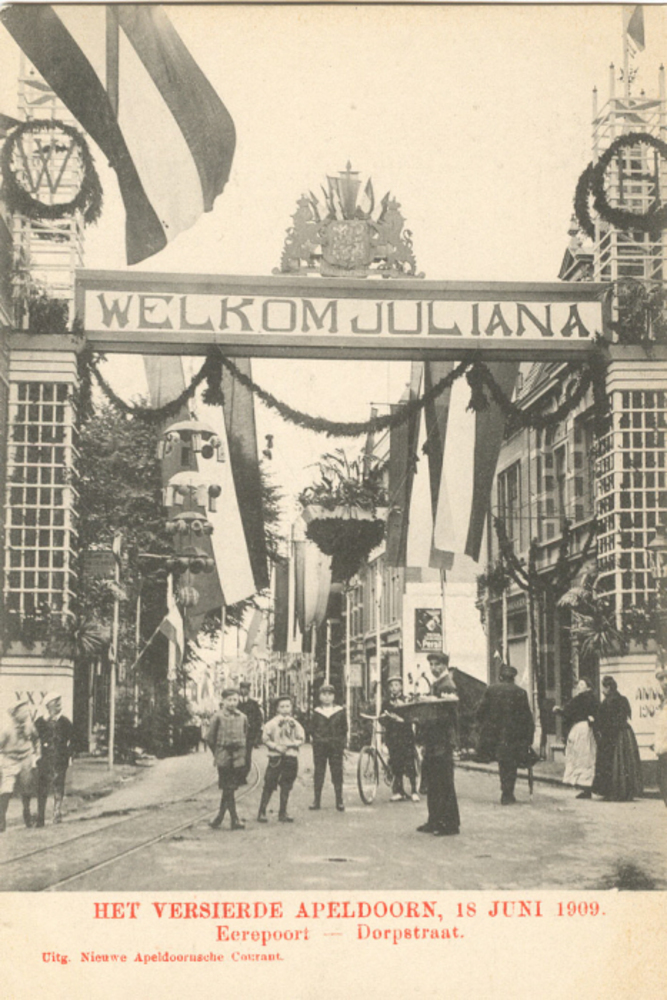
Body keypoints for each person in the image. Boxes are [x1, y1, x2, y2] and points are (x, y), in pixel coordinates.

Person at [476, 661, 535, 805]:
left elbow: (480, 711)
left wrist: (483, 727)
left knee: (502, 763)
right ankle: (508, 792)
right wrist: (529, 738)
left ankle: (506, 792)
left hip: (495, 734)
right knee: (511, 763)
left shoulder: (491, 690)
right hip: (514, 735)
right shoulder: (521, 692)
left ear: (501, 677)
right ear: (513, 678)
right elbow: (527, 717)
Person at [415, 651, 460, 836]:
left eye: (437, 664)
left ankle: (449, 824)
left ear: (444, 665)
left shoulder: (447, 684)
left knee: (443, 783)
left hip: (442, 740)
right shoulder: (437, 684)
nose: (433, 668)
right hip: (434, 740)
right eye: (431, 664)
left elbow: (448, 714)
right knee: (434, 782)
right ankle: (434, 820)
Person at [592, 675, 643, 802]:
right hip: (625, 733)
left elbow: (603, 720)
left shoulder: (607, 702)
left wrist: (595, 724)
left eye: (604, 687)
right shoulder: (623, 699)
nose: (602, 690)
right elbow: (626, 716)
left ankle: (612, 791)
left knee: (613, 762)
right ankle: (626, 791)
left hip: (612, 734)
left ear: (608, 687)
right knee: (626, 762)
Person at [257, 695, 305, 823]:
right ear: (277, 709)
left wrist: (293, 744)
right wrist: (276, 746)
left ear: (291, 707)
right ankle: (262, 811)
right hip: (276, 757)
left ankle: (283, 812)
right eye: (282, 706)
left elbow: (302, 738)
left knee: (286, 784)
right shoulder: (271, 724)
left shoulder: (295, 724)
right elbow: (265, 739)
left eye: (287, 706)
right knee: (269, 783)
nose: (285, 709)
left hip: (290, 756)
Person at [206, 689, 248, 831]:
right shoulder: (217, 717)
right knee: (228, 787)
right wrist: (217, 753)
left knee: (229, 788)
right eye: (229, 700)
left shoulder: (242, 717)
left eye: (235, 700)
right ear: (223, 701)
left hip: (237, 758)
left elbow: (245, 734)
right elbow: (210, 738)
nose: (232, 703)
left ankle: (219, 818)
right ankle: (234, 819)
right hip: (223, 757)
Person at [555, 677, 598, 799]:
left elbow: (568, 712)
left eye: (582, 685)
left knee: (581, 757)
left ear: (588, 687)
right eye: (578, 685)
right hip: (587, 730)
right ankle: (587, 786)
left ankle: (585, 787)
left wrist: (559, 711)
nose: (579, 687)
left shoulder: (580, 699)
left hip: (581, 730)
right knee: (587, 756)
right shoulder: (592, 699)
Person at [34, 693, 73, 826]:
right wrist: (36, 755)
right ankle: (40, 817)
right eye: (55, 702)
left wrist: (68, 754)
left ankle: (57, 813)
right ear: (48, 705)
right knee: (42, 787)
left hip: (60, 759)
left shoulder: (65, 722)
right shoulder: (40, 722)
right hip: (44, 759)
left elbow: (73, 739)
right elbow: (34, 739)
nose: (58, 704)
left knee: (58, 785)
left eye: (59, 702)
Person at [0, 700, 39, 832]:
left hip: (25, 758)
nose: (25, 713)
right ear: (15, 714)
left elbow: (36, 738)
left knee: (26, 787)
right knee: (6, 787)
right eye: (21, 711)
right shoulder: (7, 729)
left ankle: (27, 814)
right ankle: (1, 819)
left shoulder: (29, 725)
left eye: (26, 710)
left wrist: (37, 752)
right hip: (10, 759)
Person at [309, 684, 348, 812]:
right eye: (324, 694)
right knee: (319, 772)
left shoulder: (339, 712)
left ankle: (339, 800)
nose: (327, 697)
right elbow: (311, 729)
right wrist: (317, 739)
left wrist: (341, 743)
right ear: (319, 696)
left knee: (337, 772)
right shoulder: (316, 712)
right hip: (320, 746)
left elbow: (344, 729)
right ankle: (316, 800)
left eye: (330, 694)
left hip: (335, 746)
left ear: (334, 696)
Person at [381, 675, 419, 802]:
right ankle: (399, 791)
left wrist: (400, 719)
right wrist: (385, 718)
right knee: (396, 763)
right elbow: (382, 718)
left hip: (405, 736)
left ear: (401, 686)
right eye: (391, 685)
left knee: (409, 762)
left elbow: (412, 717)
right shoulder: (386, 702)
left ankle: (414, 790)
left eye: (396, 685)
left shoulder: (407, 700)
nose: (393, 688)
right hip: (392, 736)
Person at [237, 681, 264, 784]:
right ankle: (237, 775)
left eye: (246, 689)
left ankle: (243, 775)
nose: (244, 691)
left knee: (247, 756)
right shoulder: (235, 703)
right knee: (237, 756)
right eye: (242, 689)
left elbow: (259, 719)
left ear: (249, 691)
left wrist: (255, 733)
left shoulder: (253, 704)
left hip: (249, 735)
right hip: (237, 735)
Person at [653, 664, 667, 808]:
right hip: (663, 752)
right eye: (661, 678)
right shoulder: (662, 702)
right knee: (662, 782)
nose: (665, 682)